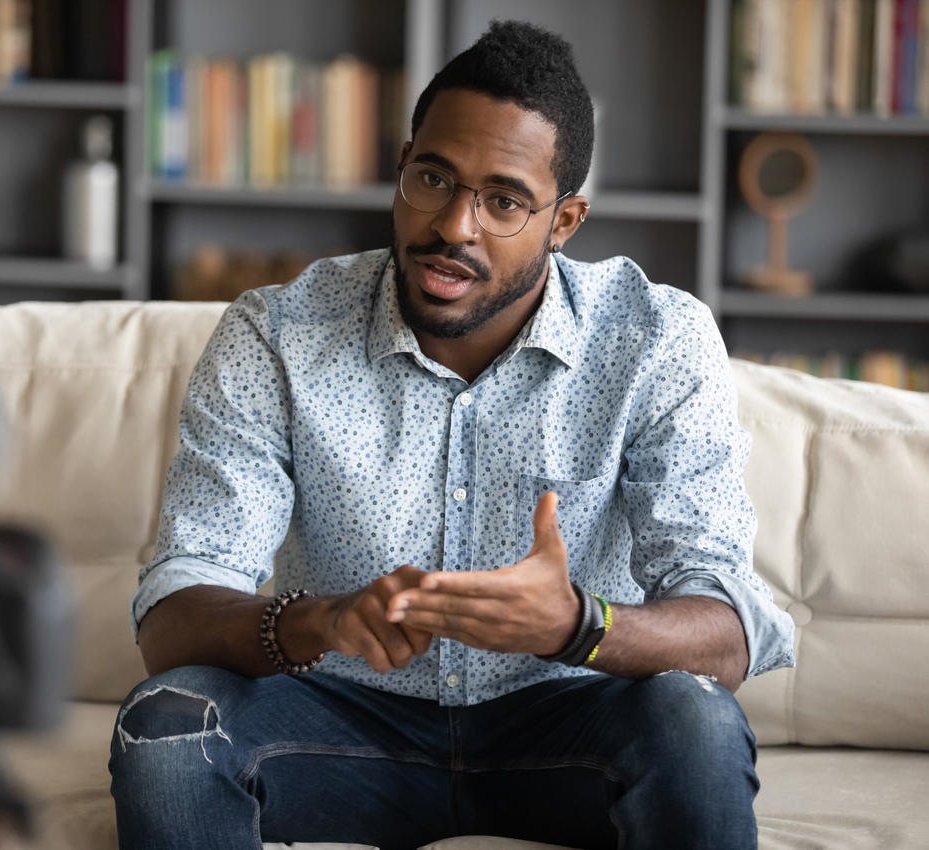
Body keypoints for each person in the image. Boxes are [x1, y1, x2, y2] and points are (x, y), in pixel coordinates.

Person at [110, 19, 794, 850]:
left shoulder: (654, 338)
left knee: (692, 716)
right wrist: (317, 622)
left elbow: (726, 633)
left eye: (504, 200)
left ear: (564, 220)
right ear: (402, 167)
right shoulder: (277, 332)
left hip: (568, 725)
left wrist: (576, 624)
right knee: (169, 723)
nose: (455, 226)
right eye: (433, 178)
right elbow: (174, 614)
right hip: (341, 724)